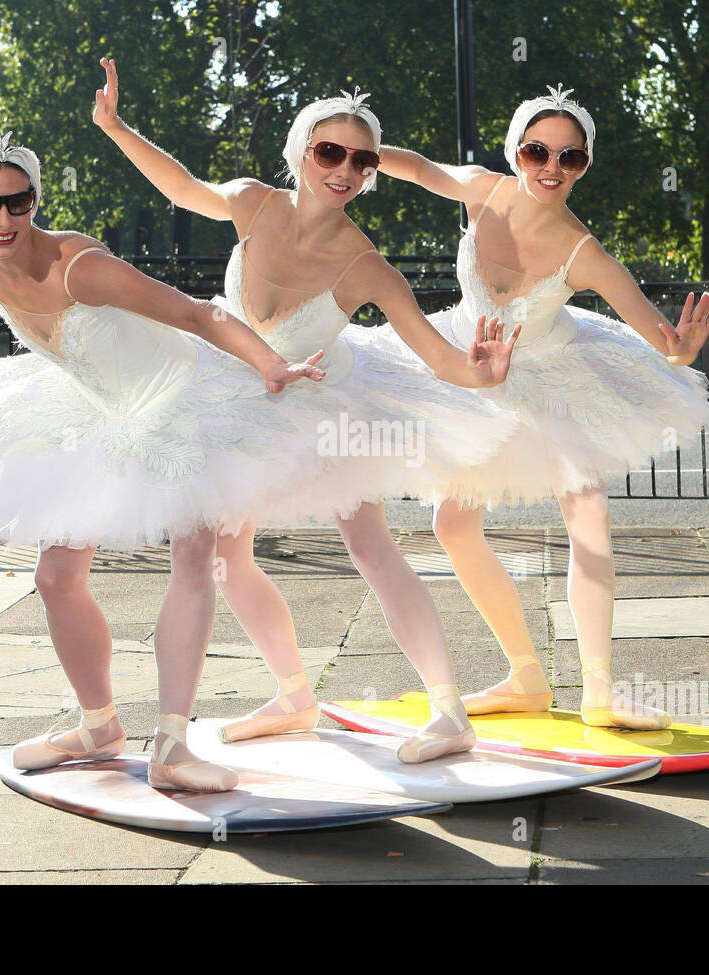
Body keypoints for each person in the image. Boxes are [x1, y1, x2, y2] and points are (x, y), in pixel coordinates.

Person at [0, 132, 330, 791]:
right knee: (57, 577)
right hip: (95, 407)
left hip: (182, 401)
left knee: (199, 556)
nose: (3, 219)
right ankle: (99, 726)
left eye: (17, 202)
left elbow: (198, 314)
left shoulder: (79, 266)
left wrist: (269, 362)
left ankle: (174, 745)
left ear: (35, 199)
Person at [94, 58, 521, 762]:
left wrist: (482, 374)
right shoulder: (254, 202)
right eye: (330, 151)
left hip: (325, 398)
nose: (345, 169)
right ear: (301, 152)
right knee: (227, 557)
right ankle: (296, 696)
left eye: (362, 159)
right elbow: (179, 186)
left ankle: (450, 711)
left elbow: (436, 357)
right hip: (237, 382)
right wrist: (115, 127)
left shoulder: (366, 265)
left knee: (368, 544)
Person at [370, 85, 709, 730]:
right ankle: (526, 676)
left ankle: (600, 689)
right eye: (537, 152)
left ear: (584, 164)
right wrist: (359, 147)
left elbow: (665, 344)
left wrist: (683, 348)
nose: (552, 168)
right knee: (452, 525)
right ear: (517, 151)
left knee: (587, 510)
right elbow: (417, 167)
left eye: (570, 158)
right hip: (476, 362)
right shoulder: (484, 190)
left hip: (556, 375)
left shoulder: (582, 252)